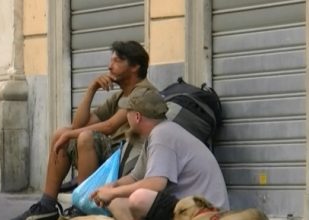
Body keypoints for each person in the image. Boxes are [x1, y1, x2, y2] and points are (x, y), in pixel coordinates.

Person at [13, 41, 157, 220]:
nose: (109, 66)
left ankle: (81, 207)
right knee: (64, 132)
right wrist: (92, 89)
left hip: (129, 158)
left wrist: (70, 134)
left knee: (85, 137)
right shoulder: (120, 96)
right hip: (113, 156)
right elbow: (78, 125)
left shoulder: (142, 92)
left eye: (117, 61)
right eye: (111, 60)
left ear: (135, 67)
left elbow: (109, 126)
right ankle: (47, 205)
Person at [89, 90, 229, 220]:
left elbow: (155, 184)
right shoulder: (158, 132)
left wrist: (114, 193)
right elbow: (135, 177)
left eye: (128, 112)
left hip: (204, 211)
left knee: (140, 198)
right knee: (116, 202)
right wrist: (111, 187)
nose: (126, 118)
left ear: (137, 116)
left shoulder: (162, 135)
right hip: (185, 205)